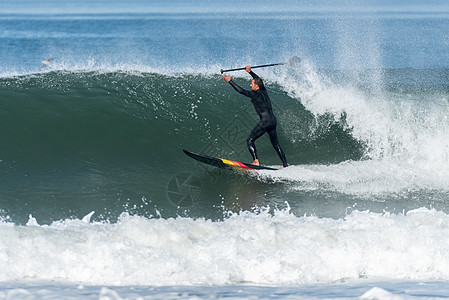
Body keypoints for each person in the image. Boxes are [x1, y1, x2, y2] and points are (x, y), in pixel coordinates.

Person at [222, 66, 288, 167]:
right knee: (276, 145)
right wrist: (250, 72)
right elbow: (259, 80)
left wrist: (230, 81)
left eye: (252, 84)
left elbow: (241, 91)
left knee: (250, 140)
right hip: (273, 121)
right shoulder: (264, 90)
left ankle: (256, 161)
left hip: (265, 121)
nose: (250, 85)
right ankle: (285, 164)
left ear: (256, 86)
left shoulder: (255, 94)